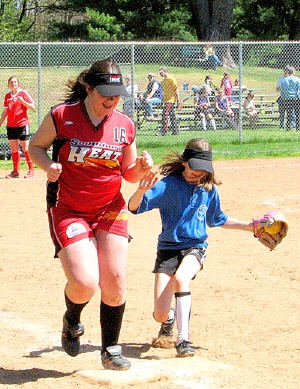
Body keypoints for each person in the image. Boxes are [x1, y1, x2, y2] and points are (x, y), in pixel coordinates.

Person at [28, 59, 154, 371]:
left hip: (109, 208)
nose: (111, 100)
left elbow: (128, 172)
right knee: (84, 282)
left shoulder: (124, 124)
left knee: (114, 281)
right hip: (68, 207)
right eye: (105, 93)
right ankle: (72, 319)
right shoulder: (62, 116)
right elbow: (36, 147)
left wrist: (139, 170)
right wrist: (49, 166)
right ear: (88, 88)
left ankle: (110, 348)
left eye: (116, 94)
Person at [128, 138, 255, 358]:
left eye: (204, 169)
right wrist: (140, 191)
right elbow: (133, 207)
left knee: (182, 277)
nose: (199, 174)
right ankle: (168, 321)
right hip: (168, 249)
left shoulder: (208, 188)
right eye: (196, 168)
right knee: (159, 313)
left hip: (195, 247)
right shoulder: (168, 185)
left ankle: (183, 340)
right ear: (185, 162)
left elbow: (218, 219)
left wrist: (250, 227)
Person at [0, 76, 35, 178]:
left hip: (22, 124)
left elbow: (32, 107)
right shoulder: (7, 96)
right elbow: (5, 111)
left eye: (15, 82)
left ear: (18, 83)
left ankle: (31, 170)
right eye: (11, 82)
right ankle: (15, 171)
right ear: (9, 84)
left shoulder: (23, 93)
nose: (13, 84)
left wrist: (22, 101)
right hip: (11, 125)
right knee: (14, 149)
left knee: (26, 148)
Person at [157, 67, 180, 136]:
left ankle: (164, 131)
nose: (160, 74)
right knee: (172, 115)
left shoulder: (171, 79)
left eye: (161, 73)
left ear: (165, 71)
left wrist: (178, 99)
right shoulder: (163, 82)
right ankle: (175, 131)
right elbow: (164, 92)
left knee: (165, 114)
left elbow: (176, 89)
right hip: (166, 100)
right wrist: (162, 101)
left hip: (171, 100)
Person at [277, 65, 300, 131]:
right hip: (296, 98)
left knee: (289, 114)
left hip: (287, 99)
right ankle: (297, 127)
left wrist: (284, 98)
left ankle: (288, 127)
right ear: (293, 71)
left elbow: (283, 90)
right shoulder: (297, 79)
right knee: (297, 113)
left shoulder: (284, 80)